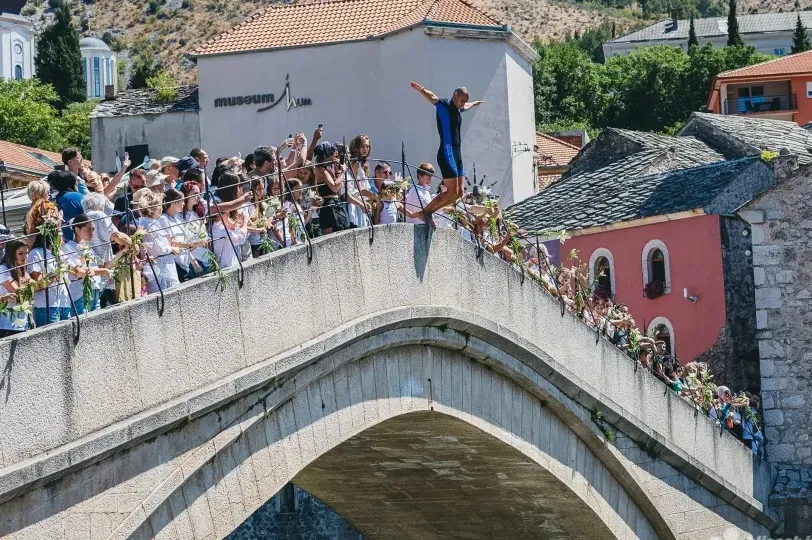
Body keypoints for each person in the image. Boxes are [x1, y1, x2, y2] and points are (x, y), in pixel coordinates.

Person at [409, 82, 483, 227]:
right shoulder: (444, 105)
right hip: (447, 152)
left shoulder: (459, 108)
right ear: (455, 95)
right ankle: (426, 212)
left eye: (465, 101)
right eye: (462, 100)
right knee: (451, 191)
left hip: (457, 154)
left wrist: (474, 104)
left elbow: (466, 107)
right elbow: (432, 97)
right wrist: (421, 89)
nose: (463, 104)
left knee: (459, 193)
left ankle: (428, 212)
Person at [82, 193, 132, 308]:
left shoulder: (80, 218)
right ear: (101, 205)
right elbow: (117, 236)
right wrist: (131, 243)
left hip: (90, 273)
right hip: (104, 273)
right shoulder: (99, 215)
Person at [62, 214, 112, 314]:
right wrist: (105, 271)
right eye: (88, 229)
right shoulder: (68, 248)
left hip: (95, 292)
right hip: (81, 294)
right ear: (77, 230)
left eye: (93, 230)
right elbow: (83, 272)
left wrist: (122, 253)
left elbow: (100, 267)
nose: (91, 233)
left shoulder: (88, 248)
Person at [136, 190, 180, 294]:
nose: (162, 208)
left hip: (156, 270)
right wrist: (172, 249)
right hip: (162, 271)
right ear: (155, 208)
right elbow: (158, 249)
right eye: (160, 205)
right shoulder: (150, 225)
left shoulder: (144, 223)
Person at [313, 142, 350, 234]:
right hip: (329, 205)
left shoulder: (327, 167)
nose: (336, 154)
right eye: (334, 152)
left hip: (334, 203)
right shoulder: (321, 169)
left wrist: (339, 168)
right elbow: (335, 187)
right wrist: (343, 171)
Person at [0, 238, 32, 335]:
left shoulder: (22, 270)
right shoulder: (3, 269)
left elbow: (33, 286)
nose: (25, 257)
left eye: (26, 253)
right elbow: (18, 291)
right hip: (7, 324)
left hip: (23, 321)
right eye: (20, 254)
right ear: (12, 254)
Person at [49, 170, 85, 242]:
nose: (77, 183)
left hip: (64, 242)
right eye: (76, 181)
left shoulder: (53, 201)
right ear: (72, 183)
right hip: (81, 240)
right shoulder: (77, 196)